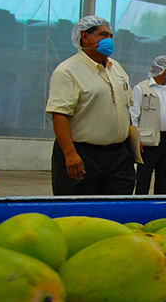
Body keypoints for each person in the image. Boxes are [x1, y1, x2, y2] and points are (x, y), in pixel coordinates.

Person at [46, 15, 136, 195]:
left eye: (111, 36)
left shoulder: (116, 68)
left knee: (116, 210)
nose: (109, 40)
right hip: (83, 153)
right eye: (103, 35)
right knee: (79, 210)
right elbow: (59, 115)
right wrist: (70, 155)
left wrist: (133, 141)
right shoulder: (68, 71)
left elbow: (126, 107)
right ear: (85, 37)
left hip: (119, 155)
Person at [130, 56, 166, 195]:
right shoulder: (141, 88)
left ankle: (162, 205)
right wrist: (136, 139)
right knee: (143, 178)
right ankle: (141, 206)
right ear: (160, 70)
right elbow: (133, 115)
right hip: (148, 142)